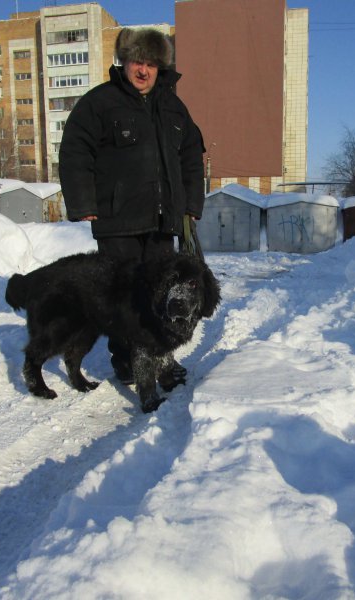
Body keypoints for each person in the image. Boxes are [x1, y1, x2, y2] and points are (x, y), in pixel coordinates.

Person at [58, 27, 206, 384]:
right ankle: (126, 361)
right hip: (117, 220)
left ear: (160, 67)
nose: (143, 70)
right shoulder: (100, 102)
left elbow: (190, 157)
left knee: (163, 296)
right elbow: (75, 151)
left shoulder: (174, 107)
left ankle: (162, 358)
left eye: (151, 63)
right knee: (123, 298)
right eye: (137, 61)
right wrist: (83, 202)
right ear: (124, 62)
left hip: (161, 222)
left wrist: (190, 206)